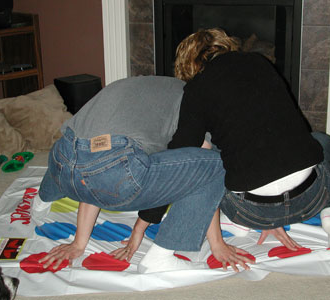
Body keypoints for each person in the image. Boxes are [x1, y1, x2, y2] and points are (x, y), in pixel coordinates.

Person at [137, 28, 330, 252]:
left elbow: (178, 156)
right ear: (226, 46)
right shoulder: (259, 62)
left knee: (205, 157)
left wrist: (147, 218)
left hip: (251, 211)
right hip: (310, 199)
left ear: (189, 63)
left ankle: (241, 224)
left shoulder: (196, 89)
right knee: (323, 140)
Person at [35, 75, 253, 274]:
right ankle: (162, 257)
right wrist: (217, 243)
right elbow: (202, 170)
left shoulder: (153, 87)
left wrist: (78, 243)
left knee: (88, 154)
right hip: (107, 173)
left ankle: (40, 202)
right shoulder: (196, 104)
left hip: (61, 164)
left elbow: (90, 162)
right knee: (215, 164)